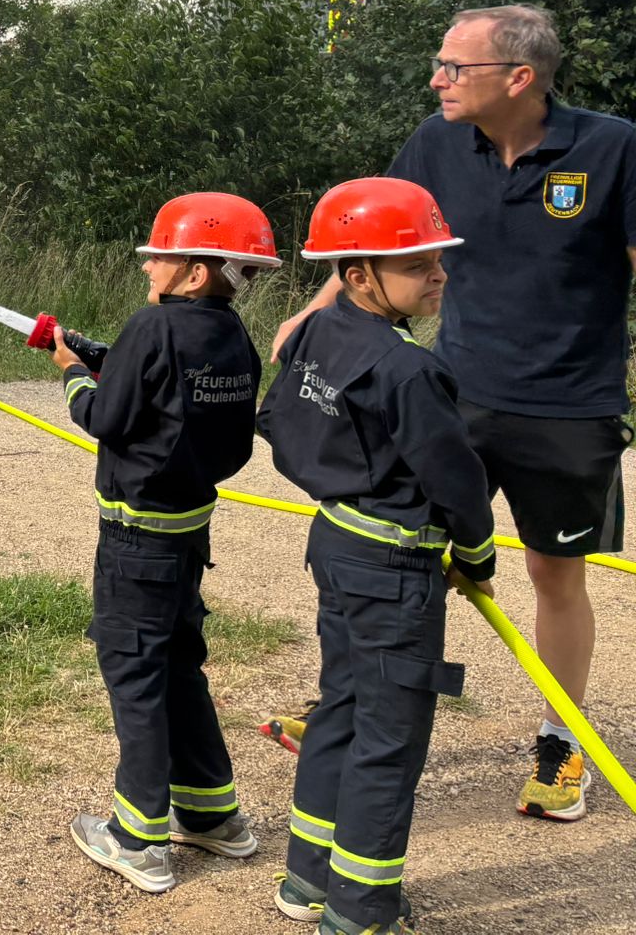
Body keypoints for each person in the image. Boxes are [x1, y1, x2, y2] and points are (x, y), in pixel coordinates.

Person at [268, 5, 633, 822]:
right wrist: (317, 311)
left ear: (519, 78)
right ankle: (353, 707)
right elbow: (377, 234)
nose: (436, 80)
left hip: (569, 408)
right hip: (449, 392)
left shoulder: (612, 147)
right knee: (409, 552)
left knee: (553, 574)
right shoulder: (437, 142)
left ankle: (560, 742)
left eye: (453, 67)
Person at [261, 177, 497, 935]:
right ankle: (359, 913)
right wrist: (478, 553)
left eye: (437, 260)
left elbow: (280, 423)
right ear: (358, 274)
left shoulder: (312, 336)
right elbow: (457, 479)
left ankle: (307, 881)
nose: (440, 275)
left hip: (337, 546)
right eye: (421, 264)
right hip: (396, 572)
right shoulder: (410, 371)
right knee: (389, 739)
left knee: (342, 708)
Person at [49, 192, 279, 895]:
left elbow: (107, 416)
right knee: (179, 667)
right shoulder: (232, 334)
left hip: (134, 541)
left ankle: (138, 841)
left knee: (136, 675)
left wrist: (71, 373)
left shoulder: (152, 328)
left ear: (197, 270)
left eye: (161, 254)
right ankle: (214, 818)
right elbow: (185, 402)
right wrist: (106, 357)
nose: (149, 262)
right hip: (186, 536)